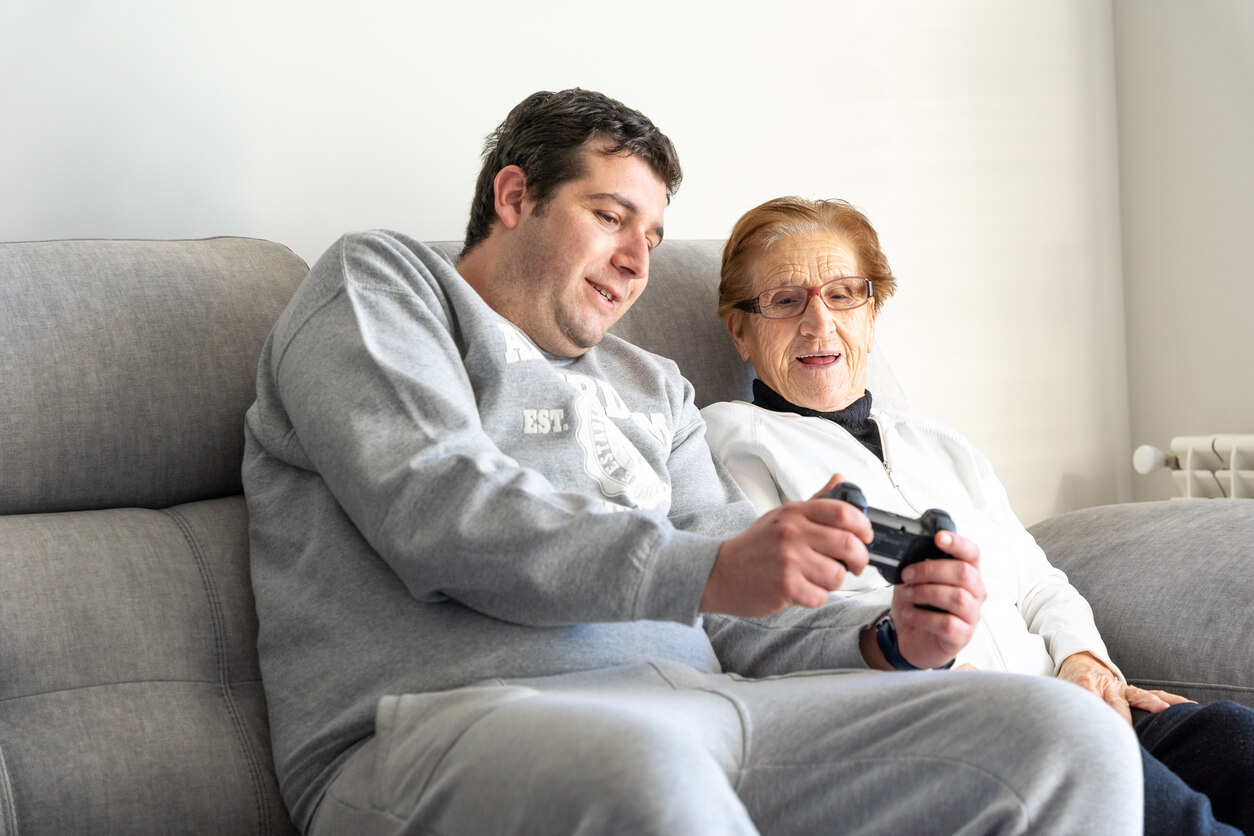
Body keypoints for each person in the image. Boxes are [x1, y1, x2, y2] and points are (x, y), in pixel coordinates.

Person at [243, 89, 1145, 835]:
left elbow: (739, 618)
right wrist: (712, 564)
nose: (638, 263)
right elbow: (439, 511)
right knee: (643, 766)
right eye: (610, 218)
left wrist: (884, 639)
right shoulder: (381, 285)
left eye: (655, 238)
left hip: (706, 711)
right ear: (514, 197)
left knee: (1062, 734)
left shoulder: (656, 386)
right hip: (444, 725)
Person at [701, 195, 1254, 836]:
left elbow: (1040, 581)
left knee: (1236, 740)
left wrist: (1084, 661)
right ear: (740, 331)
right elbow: (774, 622)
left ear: (872, 313)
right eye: (785, 300)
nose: (819, 322)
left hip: (1065, 701)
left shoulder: (939, 443)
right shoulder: (732, 441)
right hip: (967, 735)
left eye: (844, 294)